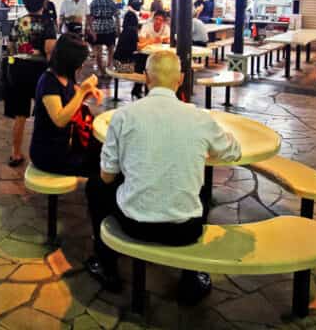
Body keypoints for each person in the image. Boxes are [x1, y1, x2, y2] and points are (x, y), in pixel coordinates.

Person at [85, 49, 241, 298]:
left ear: (146, 78)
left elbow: (107, 176)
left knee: (95, 187)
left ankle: (107, 266)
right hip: (184, 230)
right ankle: (190, 278)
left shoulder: (124, 116)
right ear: (179, 80)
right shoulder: (199, 118)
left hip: (133, 225)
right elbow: (233, 152)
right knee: (199, 194)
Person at [29, 34, 105, 177]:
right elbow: (60, 119)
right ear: (68, 61)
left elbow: (72, 103)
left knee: (105, 153)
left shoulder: (65, 76)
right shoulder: (49, 81)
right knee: (102, 165)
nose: (82, 65)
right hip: (49, 154)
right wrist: (82, 91)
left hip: (67, 144)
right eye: (80, 62)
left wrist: (88, 92)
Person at [4, 0, 58, 167]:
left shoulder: (18, 22)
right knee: (44, 112)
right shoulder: (47, 22)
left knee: (20, 114)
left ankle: (16, 153)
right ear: (43, 2)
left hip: (17, 70)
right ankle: (43, 152)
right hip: (39, 70)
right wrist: (53, 72)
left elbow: (10, 47)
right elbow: (50, 50)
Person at [133, 11, 171, 97]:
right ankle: (138, 88)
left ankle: (157, 90)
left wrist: (159, 39)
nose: (158, 21)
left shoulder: (166, 28)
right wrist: (153, 40)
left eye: (161, 20)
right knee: (142, 61)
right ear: (153, 19)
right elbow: (141, 39)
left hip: (160, 54)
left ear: (164, 21)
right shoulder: (147, 26)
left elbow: (168, 39)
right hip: (146, 53)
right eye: (156, 19)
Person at [88, 0, 120, 75]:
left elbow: (90, 17)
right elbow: (117, 16)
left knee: (98, 50)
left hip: (97, 28)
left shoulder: (93, 3)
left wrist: (91, 30)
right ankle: (109, 68)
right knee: (111, 49)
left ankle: (101, 71)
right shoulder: (111, 2)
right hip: (110, 27)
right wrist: (118, 28)